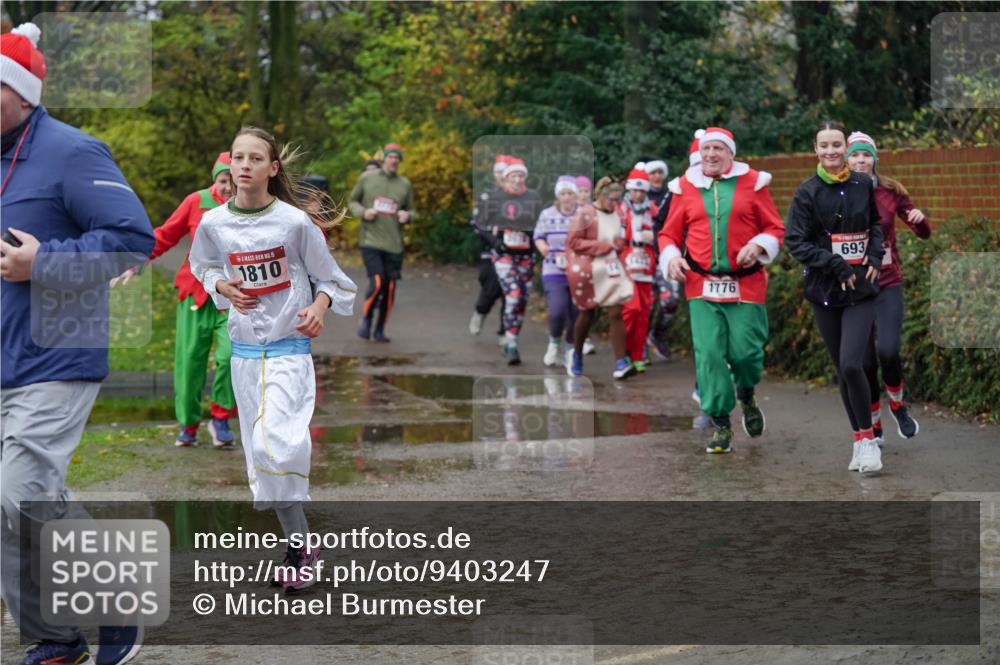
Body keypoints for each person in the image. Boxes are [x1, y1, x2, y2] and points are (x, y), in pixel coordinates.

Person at [1, 23, 155, 665]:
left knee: (15, 493)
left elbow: (131, 238)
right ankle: (56, 638)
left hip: (55, 357)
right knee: (17, 504)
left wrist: (46, 264)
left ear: (15, 88)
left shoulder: (72, 152)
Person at [189, 125, 357, 590]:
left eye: (255, 158)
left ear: (272, 168)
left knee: (273, 445)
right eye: (237, 158)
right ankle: (302, 547)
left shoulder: (294, 223)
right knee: (261, 456)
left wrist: (319, 308)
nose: (244, 166)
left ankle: (301, 548)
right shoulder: (213, 224)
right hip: (245, 355)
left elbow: (332, 280)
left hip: (288, 352)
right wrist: (223, 286)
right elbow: (201, 266)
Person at [659, 127, 784, 454]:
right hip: (701, 285)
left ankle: (747, 392)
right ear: (699, 152)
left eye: (718, 148)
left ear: (730, 153)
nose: (711, 154)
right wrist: (672, 258)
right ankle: (721, 423)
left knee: (746, 353)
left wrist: (758, 245)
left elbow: (774, 227)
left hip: (745, 283)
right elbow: (668, 235)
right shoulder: (684, 187)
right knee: (710, 354)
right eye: (706, 148)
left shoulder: (753, 182)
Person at [116, 153, 239, 448]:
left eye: (233, 182)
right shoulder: (196, 202)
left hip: (234, 295)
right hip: (195, 293)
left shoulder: (248, 205)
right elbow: (166, 234)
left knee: (232, 358)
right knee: (190, 362)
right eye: (223, 181)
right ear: (215, 180)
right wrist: (137, 261)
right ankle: (188, 424)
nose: (228, 188)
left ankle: (220, 418)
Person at [785, 121, 884, 475]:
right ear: (815, 149)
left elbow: (876, 224)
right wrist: (834, 263)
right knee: (843, 371)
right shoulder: (807, 192)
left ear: (846, 147)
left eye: (837, 145)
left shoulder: (863, 184)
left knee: (853, 364)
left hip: (862, 290)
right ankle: (858, 439)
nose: (831, 151)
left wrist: (874, 256)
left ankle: (871, 440)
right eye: (824, 145)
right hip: (825, 291)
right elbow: (795, 242)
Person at [847, 131, 930, 442]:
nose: (860, 160)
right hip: (855, 287)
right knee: (864, 360)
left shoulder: (889, 192)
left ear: (874, 159)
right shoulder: (838, 192)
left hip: (887, 283)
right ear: (846, 159)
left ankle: (898, 404)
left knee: (888, 350)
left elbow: (923, 232)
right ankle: (874, 422)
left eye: (866, 155)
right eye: (854, 155)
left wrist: (920, 220)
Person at [474, 157, 543, 365]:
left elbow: (540, 225)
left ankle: (511, 335)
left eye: (521, 176)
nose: (517, 179)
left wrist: (532, 236)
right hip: (503, 255)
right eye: (513, 176)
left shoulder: (532, 198)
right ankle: (510, 342)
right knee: (513, 294)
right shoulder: (494, 198)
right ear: (506, 178)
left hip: (525, 255)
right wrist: (496, 242)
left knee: (522, 298)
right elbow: (479, 225)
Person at [566, 177, 635, 379]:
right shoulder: (586, 213)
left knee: (616, 312)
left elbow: (619, 238)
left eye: (618, 199)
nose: (615, 204)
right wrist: (603, 247)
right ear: (601, 195)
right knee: (587, 315)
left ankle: (621, 362)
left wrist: (619, 243)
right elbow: (573, 241)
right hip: (589, 271)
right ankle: (576, 353)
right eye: (611, 199)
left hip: (611, 268)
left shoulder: (619, 212)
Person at [348, 142, 414, 343]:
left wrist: (407, 215)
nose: (394, 161)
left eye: (397, 158)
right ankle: (366, 319)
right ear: (384, 158)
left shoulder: (405, 184)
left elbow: (412, 210)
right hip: (371, 241)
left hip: (394, 245)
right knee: (378, 282)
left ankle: (379, 329)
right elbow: (352, 201)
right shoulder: (367, 178)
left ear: (399, 161)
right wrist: (363, 212)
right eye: (391, 157)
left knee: (390, 288)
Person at [533, 175, 580, 367]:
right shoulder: (547, 214)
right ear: (557, 195)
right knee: (558, 310)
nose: (567, 197)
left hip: (578, 271)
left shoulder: (584, 214)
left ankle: (570, 348)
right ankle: (554, 344)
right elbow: (538, 236)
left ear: (575, 195)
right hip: (554, 269)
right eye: (563, 193)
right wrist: (542, 246)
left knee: (577, 313)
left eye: (570, 193)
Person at [619, 164, 657, 373]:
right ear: (629, 189)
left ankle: (636, 354)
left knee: (643, 311)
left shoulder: (653, 209)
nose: (638, 194)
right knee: (630, 309)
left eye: (642, 190)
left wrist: (654, 237)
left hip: (647, 262)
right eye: (635, 189)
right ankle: (622, 351)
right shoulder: (621, 209)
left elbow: (663, 230)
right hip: (627, 260)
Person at [468, 154, 507, 340]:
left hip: (513, 251)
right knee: (491, 288)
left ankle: (505, 333)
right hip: (489, 251)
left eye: (504, 171)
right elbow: (477, 224)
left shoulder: (520, 198)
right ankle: (480, 312)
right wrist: (494, 240)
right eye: (498, 172)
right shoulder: (487, 196)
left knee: (510, 292)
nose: (501, 175)